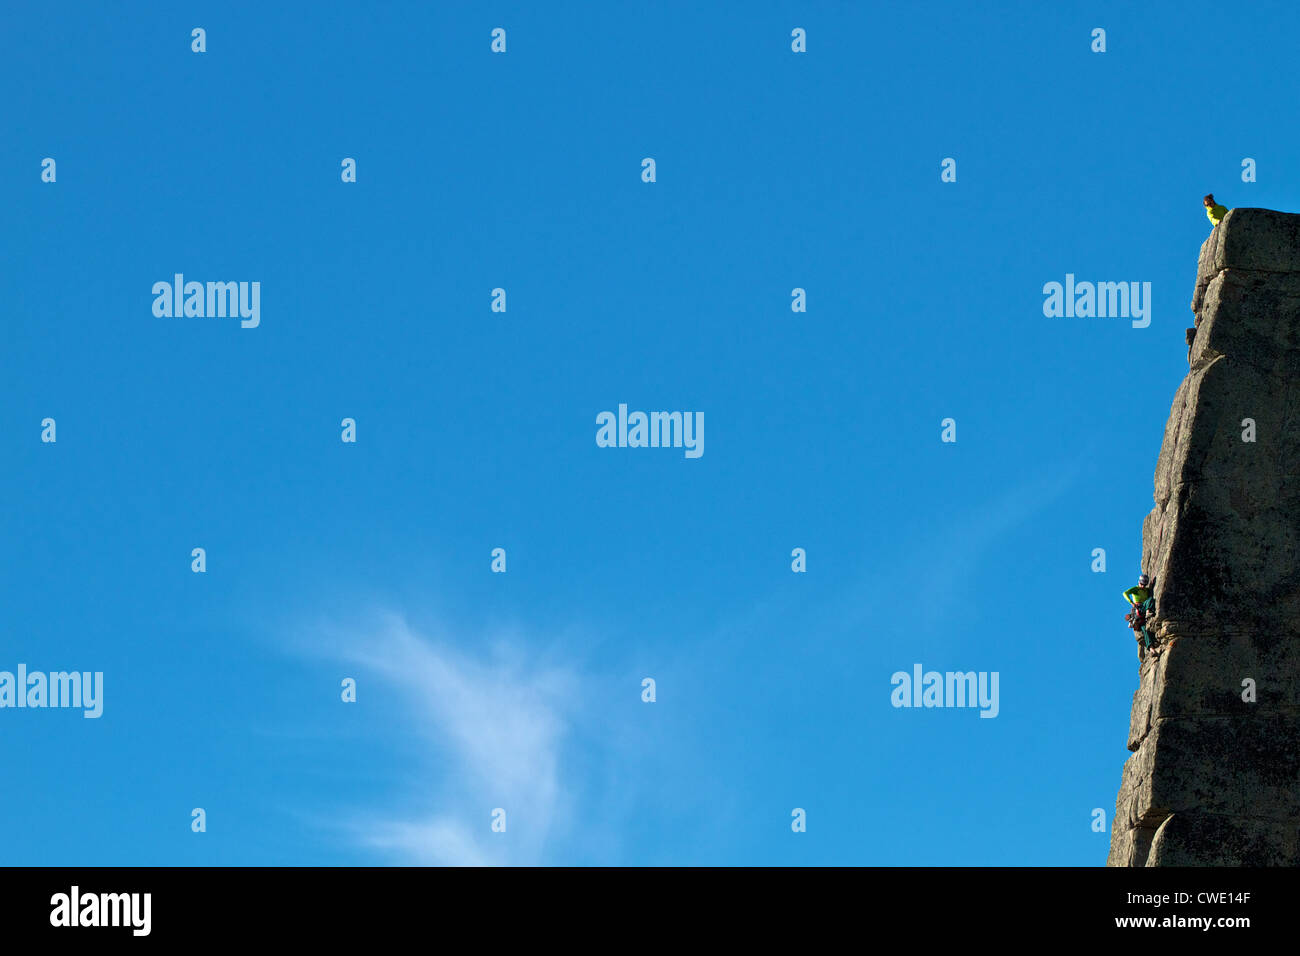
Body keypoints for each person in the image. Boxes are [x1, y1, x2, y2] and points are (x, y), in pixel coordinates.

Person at [1123, 574, 1157, 656]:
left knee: (1150, 600)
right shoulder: (1135, 589)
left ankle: (1148, 611)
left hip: (1144, 608)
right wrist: (1131, 602)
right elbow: (1125, 593)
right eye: (1141, 584)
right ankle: (1152, 649)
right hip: (1138, 608)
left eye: (1144, 585)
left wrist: (1151, 585)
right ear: (1139, 582)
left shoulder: (1146, 590)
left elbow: (1150, 592)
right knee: (1144, 629)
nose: (1142, 586)